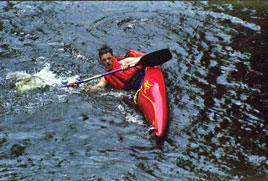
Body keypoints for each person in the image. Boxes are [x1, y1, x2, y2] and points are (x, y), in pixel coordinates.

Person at [68, 45, 145, 92]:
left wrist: (129, 65)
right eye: (104, 60)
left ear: (113, 57)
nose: (107, 61)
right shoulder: (105, 78)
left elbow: (142, 59)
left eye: (109, 58)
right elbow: (98, 87)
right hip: (135, 89)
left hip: (143, 79)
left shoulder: (125, 62)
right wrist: (79, 86)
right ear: (101, 62)